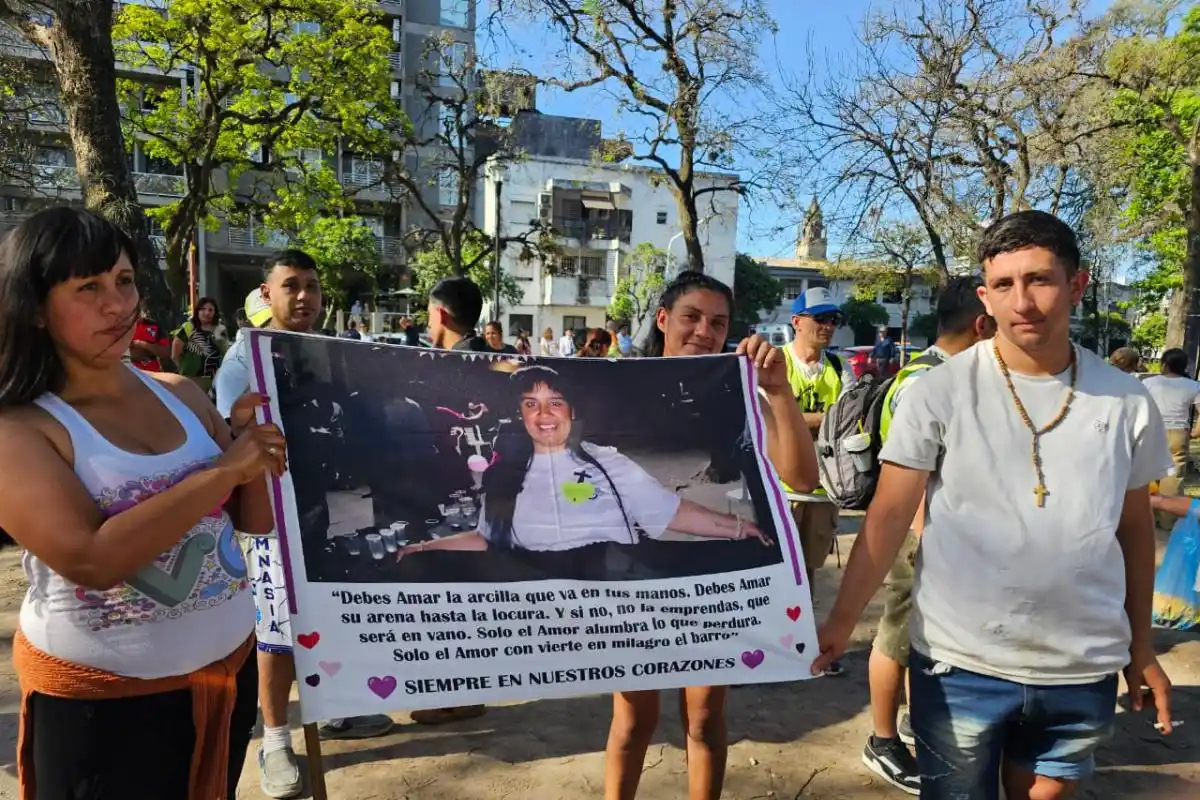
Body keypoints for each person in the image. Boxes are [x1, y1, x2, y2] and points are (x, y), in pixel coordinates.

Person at [813, 210, 1175, 800]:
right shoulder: (939, 392)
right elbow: (888, 516)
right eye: (1004, 284)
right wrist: (841, 620)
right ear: (985, 296)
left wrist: (1140, 646)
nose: (1022, 302)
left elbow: (1134, 529)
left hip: (1080, 664)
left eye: (1040, 280)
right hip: (959, 661)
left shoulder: (1127, 400)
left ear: (1077, 285)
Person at [0, 207, 284, 799]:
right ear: (34, 308)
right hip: (105, 705)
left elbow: (253, 522)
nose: (117, 305)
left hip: (226, 678)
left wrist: (253, 448)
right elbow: (92, 559)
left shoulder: (181, 393)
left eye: (124, 281)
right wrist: (225, 469)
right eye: (88, 288)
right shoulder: (22, 428)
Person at [604, 270, 819, 800]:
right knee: (632, 719)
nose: (704, 331)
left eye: (718, 322)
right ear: (663, 320)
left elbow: (802, 478)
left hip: (715, 577)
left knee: (704, 717)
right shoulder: (614, 388)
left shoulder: (740, 393)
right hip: (635, 574)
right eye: (692, 317)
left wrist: (778, 392)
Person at [215, 251, 393, 799]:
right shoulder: (245, 359)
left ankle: (333, 708)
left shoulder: (337, 353)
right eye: (290, 285)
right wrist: (240, 428)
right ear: (266, 294)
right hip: (276, 515)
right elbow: (225, 443)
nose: (303, 297)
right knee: (278, 630)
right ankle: (274, 739)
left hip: (342, 502)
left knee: (334, 611)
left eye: (312, 286)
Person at [399, 365, 774, 557]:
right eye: (531, 404)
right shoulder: (504, 474)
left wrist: (740, 527)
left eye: (555, 402)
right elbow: (487, 539)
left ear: (571, 410)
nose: (544, 414)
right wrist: (424, 549)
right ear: (520, 415)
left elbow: (670, 512)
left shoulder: (606, 464)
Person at [861, 277, 996, 795]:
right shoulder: (926, 382)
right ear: (980, 325)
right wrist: (925, 541)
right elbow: (910, 476)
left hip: (941, 533)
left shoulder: (949, 375)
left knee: (923, 639)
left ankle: (914, 725)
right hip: (919, 534)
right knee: (897, 635)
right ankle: (882, 740)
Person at [413, 275, 491, 725]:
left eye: (429, 315)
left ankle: (450, 695)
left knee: (448, 596)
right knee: (470, 593)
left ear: (440, 314)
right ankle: (467, 691)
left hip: (454, 499)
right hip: (488, 497)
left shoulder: (444, 372)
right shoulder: (497, 362)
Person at [782, 286, 855, 677]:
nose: (828, 326)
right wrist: (823, 419)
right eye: (821, 318)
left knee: (808, 573)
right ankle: (761, 650)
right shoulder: (775, 363)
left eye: (833, 319)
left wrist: (793, 418)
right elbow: (764, 418)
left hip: (823, 489)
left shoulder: (840, 368)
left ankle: (801, 647)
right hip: (777, 490)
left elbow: (849, 422)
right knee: (771, 570)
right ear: (797, 322)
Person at [1142, 347, 1200, 499]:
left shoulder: (1149, 383)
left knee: (1148, 472)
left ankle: (1148, 507)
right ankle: (1169, 510)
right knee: (1173, 475)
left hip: (1152, 430)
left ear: (1164, 364)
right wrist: (1196, 431)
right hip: (1178, 432)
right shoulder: (1193, 385)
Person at [172, 296, 229, 395]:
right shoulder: (188, 327)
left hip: (216, 381)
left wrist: (218, 335)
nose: (207, 313)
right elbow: (175, 354)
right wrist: (184, 371)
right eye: (203, 309)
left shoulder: (221, 329)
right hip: (191, 380)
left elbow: (225, 354)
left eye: (210, 310)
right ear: (197, 311)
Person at [130, 300, 172, 372]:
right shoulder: (121, 327)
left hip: (151, 370)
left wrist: (142, 344)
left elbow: (165, 352)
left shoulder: (153, 326)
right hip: (127, 371)